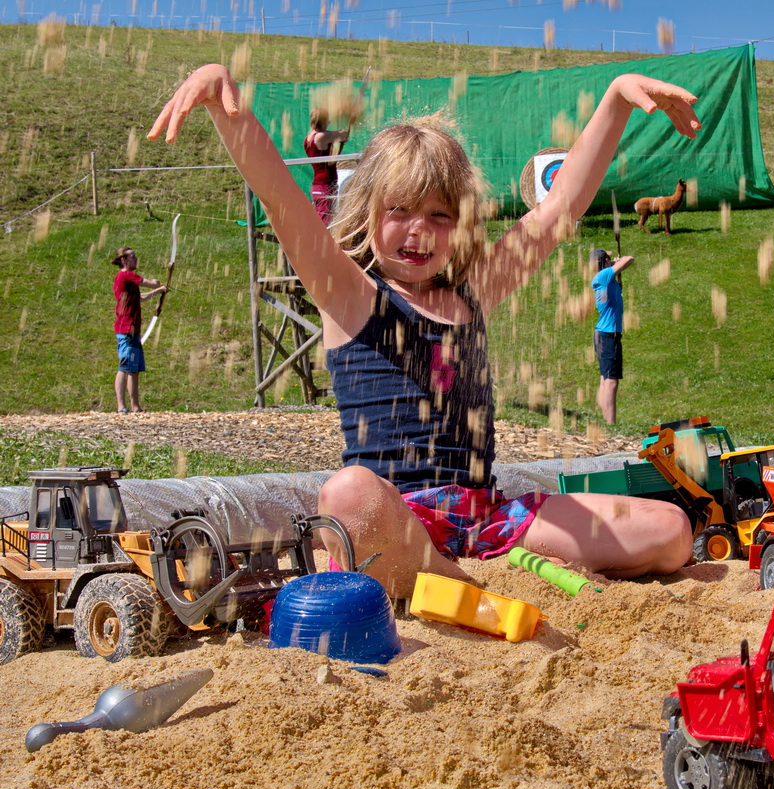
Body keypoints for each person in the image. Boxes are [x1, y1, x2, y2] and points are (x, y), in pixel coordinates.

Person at [148, 64, 700, 599]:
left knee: (670, 530)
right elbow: (281, 201)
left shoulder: (473, 292)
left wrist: (616, 99)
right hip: (397, 519)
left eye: (440, 215)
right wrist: (230, 113)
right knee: (346, 496)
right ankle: (448, 580)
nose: (419, 231)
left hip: (486, 520)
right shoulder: (348, 292)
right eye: (401, 209)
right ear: (366, 211)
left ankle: (452, 577)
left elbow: (560, 208)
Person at [111, 247, 167, 413]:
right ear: (124, 260)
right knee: (125, 366)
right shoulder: (125, 275)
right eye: (132, 257)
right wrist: (156, 283)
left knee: (134, 369)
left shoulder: (129, 280)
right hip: (126, 329)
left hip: (133, 330)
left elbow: (141, 297)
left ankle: (136, 406)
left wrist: (159, 291)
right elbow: (147, 282)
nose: (136, 260)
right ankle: (121, 406)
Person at [590, 248, 633, 425]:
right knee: (611, 382)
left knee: (605, 379)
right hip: (608, 335)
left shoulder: (604, 277)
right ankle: (611, 423)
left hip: (603, 334)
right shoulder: (604, 275)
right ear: (606, 261)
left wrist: (613, 265)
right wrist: (618, 262)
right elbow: (630, 259)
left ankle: (605, 420)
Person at [305, 107, 350, 224]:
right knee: (325, 223)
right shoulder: (320, 136)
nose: (329, 122)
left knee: (327, 219)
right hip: (325, 185)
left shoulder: (308, 138)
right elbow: (343, 134)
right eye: (327, 120)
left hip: (321, 185)